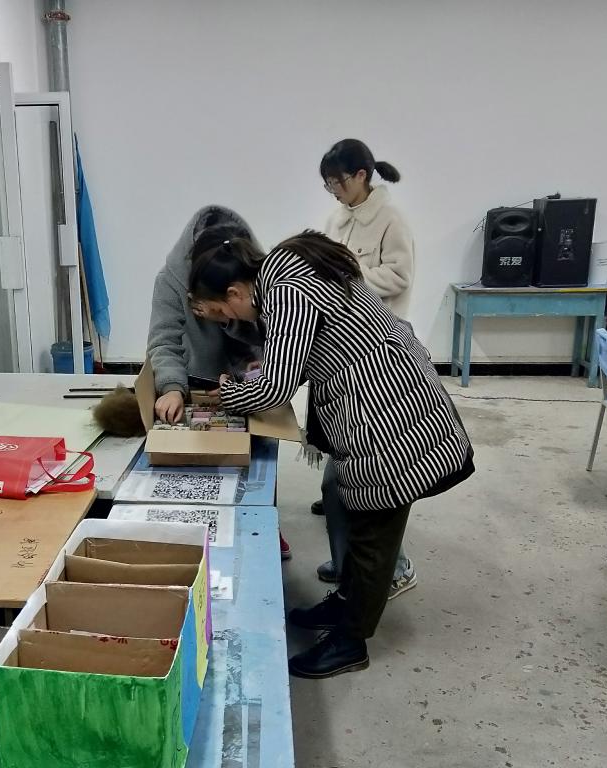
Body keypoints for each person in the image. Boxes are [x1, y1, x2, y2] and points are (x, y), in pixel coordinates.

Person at [189, 230, 473, 678]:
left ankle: (351, 642)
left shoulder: (285, 290)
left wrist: (226, 396)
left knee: (373, 534)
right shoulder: (289, 270)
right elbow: (312, 349)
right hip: (385, 394)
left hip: (389, 412)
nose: (231, 319)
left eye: (225, 310)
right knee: (354, 514)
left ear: (236, 292)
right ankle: (344, 604)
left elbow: (276, 388)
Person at [146, 205, 292, 560]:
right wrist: (172, 388)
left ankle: (262, 525)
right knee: (200, 470)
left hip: (250, 385)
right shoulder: (171, 281)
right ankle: (198, 533)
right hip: (195, 384)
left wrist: (230, 325)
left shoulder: (257, 277)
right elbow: (164, 341)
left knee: (256, 468)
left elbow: (271, 334)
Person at [312, 138, 417, 598]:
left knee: (372, 476)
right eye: (327, 185)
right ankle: (349, 564)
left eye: (338, 182)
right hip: (343, 350)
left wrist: (348, 278)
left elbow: (400, 276)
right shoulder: (337, 218)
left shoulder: (391, 218)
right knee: (343, 476)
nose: (334, 191)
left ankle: (395, 568)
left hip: (379, 353)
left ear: (361, 175)